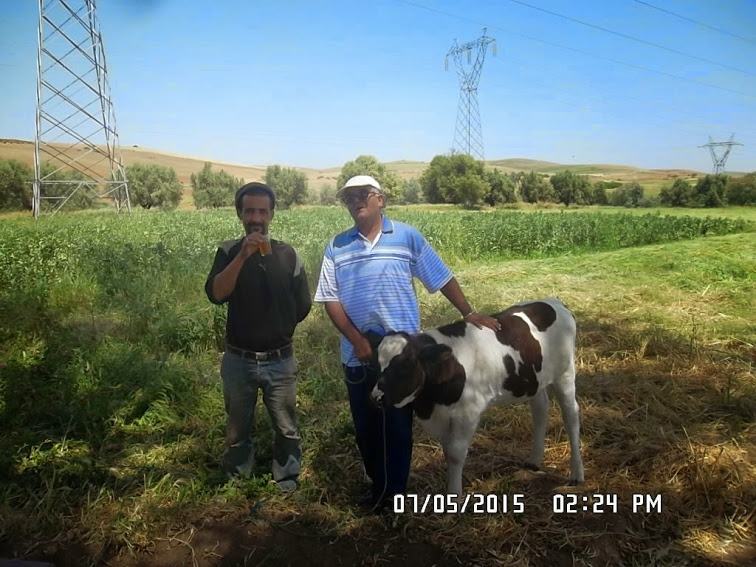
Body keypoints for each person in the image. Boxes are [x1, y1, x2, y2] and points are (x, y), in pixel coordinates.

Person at [313, 174, 500, 510]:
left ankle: (394, 496)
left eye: (362, 195)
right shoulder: (336, 246)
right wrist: (356, 340)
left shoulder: (406, 238)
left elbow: (440, 275)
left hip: (402, 358)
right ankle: (378, 486)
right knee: (366, 430)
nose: (355, 201)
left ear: (379, 199)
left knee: (397, 429)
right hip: (359, 354)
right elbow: (330, 298)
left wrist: (469, 313)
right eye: (348, 198)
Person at [205, 182, 311, 493]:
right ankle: (237, 477)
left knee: (287, 428)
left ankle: (287, 478)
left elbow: (302, 304)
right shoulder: (227, 251)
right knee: (238, 428)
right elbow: (216, 294)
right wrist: (243, 256)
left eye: (262, 211)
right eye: (249, 210)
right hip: (239, 359)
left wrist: (278, 328)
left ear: (271, 215)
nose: (256, 217)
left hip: (280, 361)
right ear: (239, 213)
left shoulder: (288, 255)